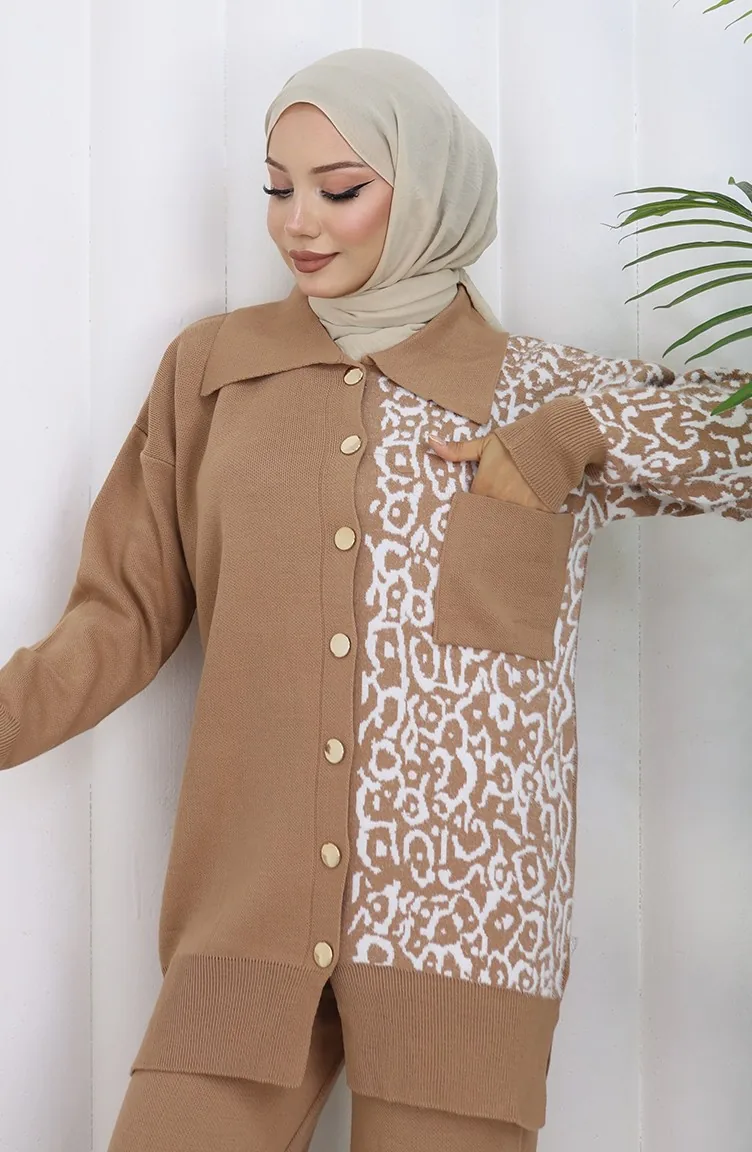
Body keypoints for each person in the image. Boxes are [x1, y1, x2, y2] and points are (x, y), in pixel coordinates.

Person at [0, 46, 749, 1152]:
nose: (298, 222)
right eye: (277, 187)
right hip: (246, 917)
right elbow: (121, 617)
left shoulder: (539, 389)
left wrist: (567, 438)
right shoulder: (214, 371)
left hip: (465, 933)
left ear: (431, 191)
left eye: (340, 189)